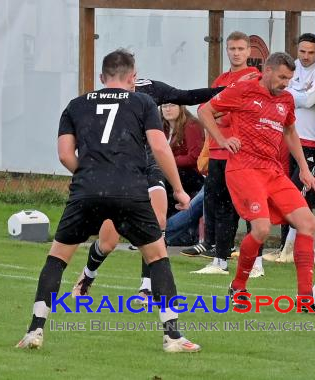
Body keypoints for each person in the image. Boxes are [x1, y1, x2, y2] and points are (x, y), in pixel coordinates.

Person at [16, 49, 200, 352]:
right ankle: (173, 336)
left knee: (57, 259)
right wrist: (179, 190)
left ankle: (35, 330)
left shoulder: (76, 105)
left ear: (102, 78)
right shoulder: (142, 102)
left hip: (87, 190)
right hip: (130, 189)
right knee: (157, 257)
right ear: (133, 78)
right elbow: (159, 147)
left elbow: (64, 155)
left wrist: (89, 173)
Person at [72, 79, 224, 306]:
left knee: (157, 221)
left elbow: (187, 95)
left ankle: (147, 288)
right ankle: (88, 275)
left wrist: (229, 90)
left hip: (149, 165)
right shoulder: (103, 98)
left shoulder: (150, 89)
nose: (131, 80)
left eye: (133, 74)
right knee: (108, 241)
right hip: (120, 169)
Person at [197, 51, 315, 308]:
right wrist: (221, 141)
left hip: (272, 170)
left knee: (308, 223)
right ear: (267, 70)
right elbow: (204, 111)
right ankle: (238, 287)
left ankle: (305, 298)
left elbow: (290, 131)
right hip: (244, 168)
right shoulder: (242, 90)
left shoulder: (286, 100)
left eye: (289, 78)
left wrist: (303, 169)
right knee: (262, 228)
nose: (285, 83)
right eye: (281, 77)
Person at [185, 31, 261, 278]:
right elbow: (207, 111)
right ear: (226, 50)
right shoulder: (222, 78)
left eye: (241, 48)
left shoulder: (254, 77)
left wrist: (218, 113)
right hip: (218, 151)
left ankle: (256, 263)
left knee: (250, 205)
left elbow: (232, 113)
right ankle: (221, 259)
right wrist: (218, 115)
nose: (236, 53)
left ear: (249, 51)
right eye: (232, 49)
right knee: (220, 205)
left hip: (241, 152)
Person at [265, 33, 315, 264]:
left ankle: (296, 248)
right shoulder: (293, 68)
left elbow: (309, 101)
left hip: (313, 144)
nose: (306, 57)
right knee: (284, 192)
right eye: (303, 52)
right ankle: (284, 248)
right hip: (288, 139)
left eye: (311, 52)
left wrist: (291, 94)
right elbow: (277, 92)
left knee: (299, 190)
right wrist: (298, 93)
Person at [160, 104, 205, 217]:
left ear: (181, 107)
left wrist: (168, 161)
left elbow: (194, 158)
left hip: (191, 175)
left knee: (166, 182)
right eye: (164, 106)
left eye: (172, 105)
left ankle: (169, 225)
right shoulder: (162, 127)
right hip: (172, 173)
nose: (168, 109)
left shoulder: (191, 125)